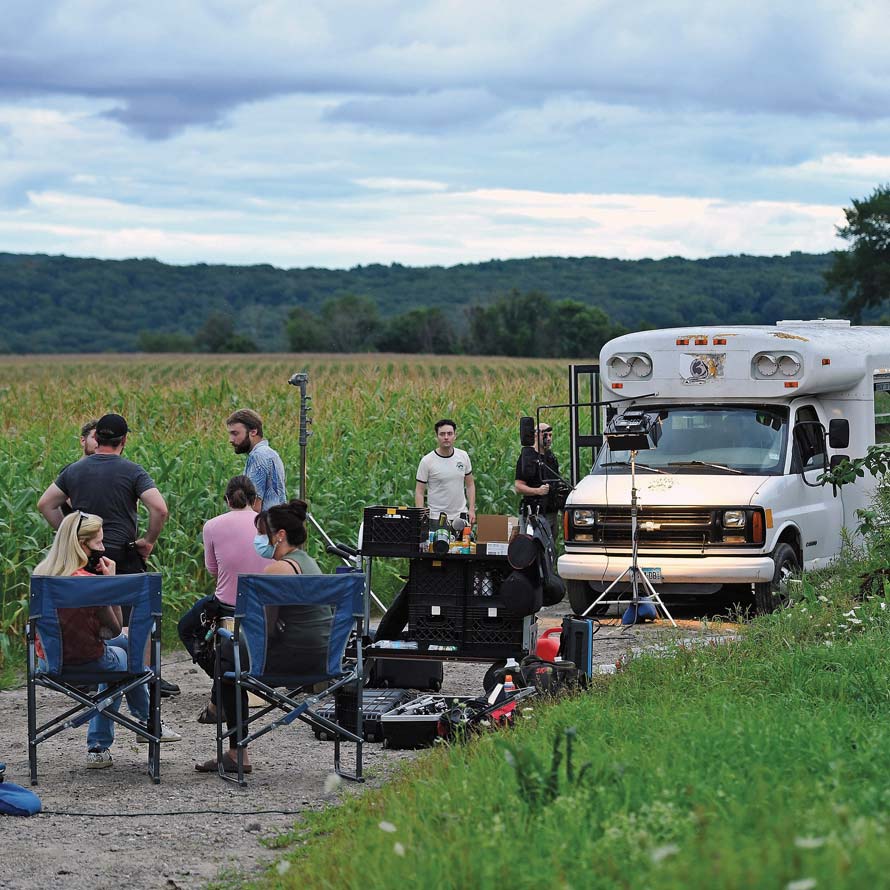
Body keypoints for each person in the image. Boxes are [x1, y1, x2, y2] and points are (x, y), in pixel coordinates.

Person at [36, 412, 179, 697]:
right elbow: (160, 509)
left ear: (97, 438)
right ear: (124, 440)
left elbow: (45, 504)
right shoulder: (133, 471)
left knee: (86, 612)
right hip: (122, 553)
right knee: (140, 614)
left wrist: (70, 535)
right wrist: (148, 540)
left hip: (84, 550)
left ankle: (90, 672)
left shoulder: (74, 470)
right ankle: (143, 677)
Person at [32, 511, 180, 770]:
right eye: (98, 543)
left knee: (122, 650)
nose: (102, 548)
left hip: (50, 664)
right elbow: (112, 630)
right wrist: (109, 584)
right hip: (88, 662)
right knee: (127, 659)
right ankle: (147, 722)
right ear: (81, 544)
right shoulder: (90, 584)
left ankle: (100, 748)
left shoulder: (42, 576)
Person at [195, 499, 326, 775]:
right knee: (231, 655)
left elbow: (261, 630)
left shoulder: (276, 571)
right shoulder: (310, 564)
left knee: (227, 654)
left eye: (261, 534)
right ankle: (221, 717)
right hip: (324, 659)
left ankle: (236, 751)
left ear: (279, 536)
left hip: (293, 660)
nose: (257, 540)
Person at [177, 475, 272, 723]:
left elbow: (213, 570)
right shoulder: (269, 524)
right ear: (255, 501)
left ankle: (222, 687)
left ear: (227, 499)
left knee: (187, 628)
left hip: (227, 605)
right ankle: (222, 691)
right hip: (264, 605)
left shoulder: (212, 525)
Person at [414, 418, 476, 525]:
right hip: (436, 517)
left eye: (449, 434)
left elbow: (470, 484)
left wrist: (471, 509)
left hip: (460, 516)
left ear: (455, 436)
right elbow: (419, 491)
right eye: (442, 434)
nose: (446, 437)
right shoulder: (427, 461)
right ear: (437, 437)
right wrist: (421, 516)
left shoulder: (463, 456)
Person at [226, 408, 287, 512]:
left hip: (263, 525)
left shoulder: (258, 456)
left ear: (253, 432)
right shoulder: (271, 453)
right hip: (277, 522)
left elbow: (253, 506)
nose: (230, 440)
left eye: (235, 433)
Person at [514, 423, 561, 540]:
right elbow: (518, 486)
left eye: (551, 435)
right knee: (534, 547)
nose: (549, 438)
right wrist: (537, 491)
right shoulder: (527, 458)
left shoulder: (551, 457)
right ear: (536, 435)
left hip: (551, 512)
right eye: (546, 435)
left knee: (549, 549)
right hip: (534, 513)